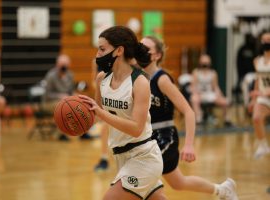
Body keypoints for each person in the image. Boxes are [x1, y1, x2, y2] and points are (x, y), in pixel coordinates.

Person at [139, 36, 239, 200]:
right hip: (147, 136)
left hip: (165, 136)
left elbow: (188, 111)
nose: (141, 51)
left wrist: (189, 145)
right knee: (178, 182)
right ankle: (222, 190)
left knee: (143, 176)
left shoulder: (162, 79)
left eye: (146, 48)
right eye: (139, 46)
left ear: (157, 55)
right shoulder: (138, 77)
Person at [79, 26, 168, 200]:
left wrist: (100, 113)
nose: (97, 54)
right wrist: (77, 115)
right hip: (120, 156)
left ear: (119, 50)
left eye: (102, 49)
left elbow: (136, 128)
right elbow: (97, 114)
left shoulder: (139, 81)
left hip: (143, 156)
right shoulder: (102, 78)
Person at [43, 54, 93, 140]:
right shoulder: (51, 76)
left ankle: (84, 131)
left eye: (65, 65)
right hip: (49, 102)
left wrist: (77, 96)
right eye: (62, 64)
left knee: (83, 104)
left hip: (66, 101)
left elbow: (71, 91)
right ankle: (61, 134)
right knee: (64, 108)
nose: (63, 67)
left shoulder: (70, 75)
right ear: (57, 64)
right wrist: (60, 96)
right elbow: (47, 94)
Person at [190, 54, 232, 126]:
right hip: (199, 94)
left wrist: (219, 94)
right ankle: (198, 118)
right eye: (203, 64)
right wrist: (196, 93)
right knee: (194, 99)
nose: (205, 66)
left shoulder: (213, 73)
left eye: (206, 64)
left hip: (210, 94)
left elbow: (215, 87)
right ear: (200, 63)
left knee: (225, 101)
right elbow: (193, 86)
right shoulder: (196, 72)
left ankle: (226, 119)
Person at [250, 31, 270, 159]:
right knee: (256, 118)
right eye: (264, 40)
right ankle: (263, 146)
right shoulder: (257, 61)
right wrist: (254, 98)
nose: (266, 43)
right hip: (263, 96)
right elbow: (257, 80)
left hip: (267, 93)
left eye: (268, 40)